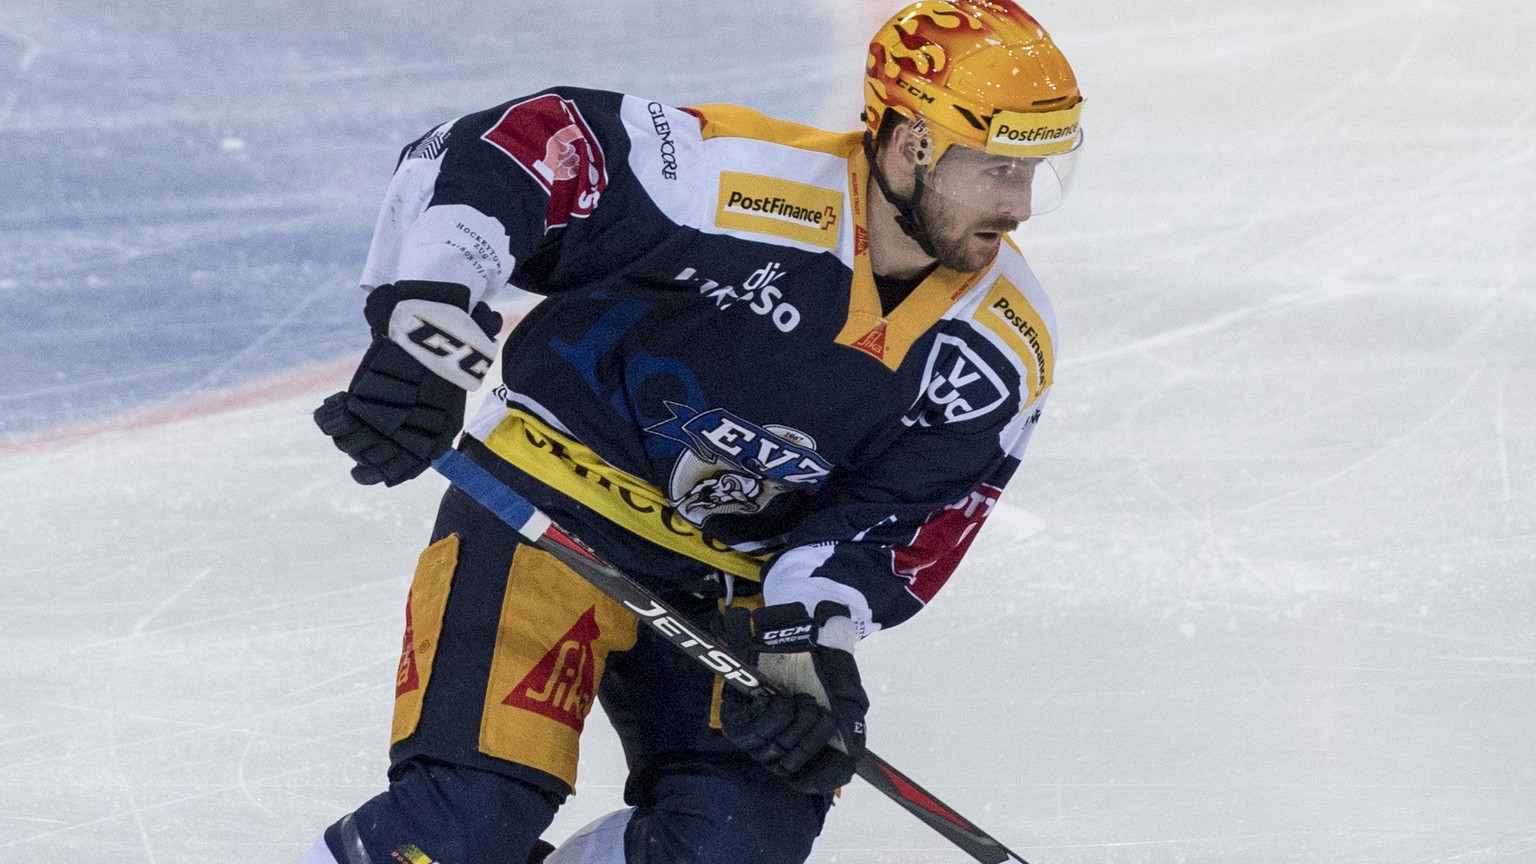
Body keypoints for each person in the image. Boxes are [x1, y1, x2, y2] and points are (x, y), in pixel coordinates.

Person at [302, 1, 1084, 861]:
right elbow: (513, 147)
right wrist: (429, 330)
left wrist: (808, 646)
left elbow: (896, 526)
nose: (1020, 205)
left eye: (1036, 171)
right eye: (997, 168)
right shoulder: (734, 180)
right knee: (456, 831)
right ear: (908, 142)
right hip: (546, 510)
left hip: (731, 591)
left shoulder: (1005, 346)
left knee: (732, 848)